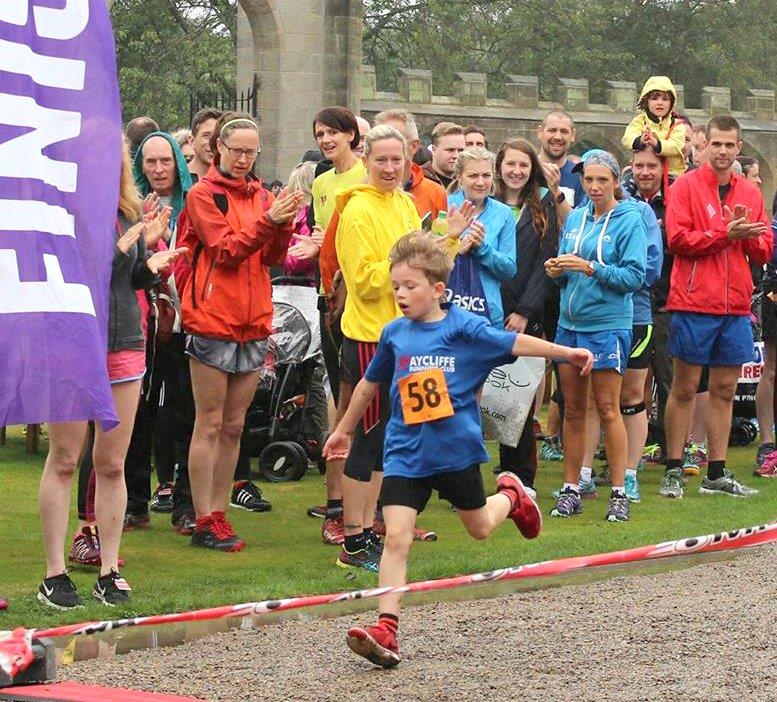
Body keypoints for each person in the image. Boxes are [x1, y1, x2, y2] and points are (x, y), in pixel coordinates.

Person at [324, 232, 593, 668]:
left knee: (481, 527)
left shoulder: (463, 328)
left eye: (410, 286)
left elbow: (514, 344)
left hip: (455, 453)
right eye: (396, 287)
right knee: (395, 537)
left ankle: (512, 495)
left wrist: (566, 352)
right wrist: (343, 431)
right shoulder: (393, 335)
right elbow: (369, 383)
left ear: (438, 290)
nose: (401, 295)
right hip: (406, 454)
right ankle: (386, 629)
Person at [37, 141, 184, 609]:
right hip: (72, 344)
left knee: (113, 463)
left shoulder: (126, 211)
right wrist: (125, 252)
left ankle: (110, 568)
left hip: (123, 342)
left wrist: (149, 263)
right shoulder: (57, 210)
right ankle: (54, 574)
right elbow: (73, 275)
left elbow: (125, 277)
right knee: (64, 458)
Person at [178, 112, 301, 551]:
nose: (245, 158)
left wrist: (284, 221)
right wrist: (272, 220)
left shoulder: (261, 195)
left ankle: (219, 513)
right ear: (219, 150)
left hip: (253, 321)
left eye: (252, 151)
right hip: (213, 320)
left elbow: (274, 257)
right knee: (209, 423)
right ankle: (202, 517)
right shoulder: (202, 195)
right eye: (238, 150)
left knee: (234, 425)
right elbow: (225, 250)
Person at [661, 115, 772, 498]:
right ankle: (674, 467)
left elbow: (762, 251)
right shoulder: (687, 186)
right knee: (685, 387)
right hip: (694, 302)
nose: (723, 151)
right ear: (705, 145)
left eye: (730, 145)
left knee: (725, 389)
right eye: (717, 144)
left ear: (739, 147)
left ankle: (717, 471)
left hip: (735, 305)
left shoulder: (751, 193)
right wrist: (724, 234)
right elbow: (677, 240)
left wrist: (746, 236)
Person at [545, 150, 647, 523]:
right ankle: (572, 487)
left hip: (607, 325)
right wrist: (556, 270)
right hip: (569, 325)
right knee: (573, 409)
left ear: (616, 182)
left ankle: (618, 491)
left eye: (602, 180)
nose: (594, 187)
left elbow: (635, 277)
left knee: (607, 409)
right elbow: (564, 268)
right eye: (589, 179)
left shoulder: (629, 220)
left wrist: (590, 268)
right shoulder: (575, 219)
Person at [308, 106, 367, 545]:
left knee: (365, 403)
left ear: (352, 136)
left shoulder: (366, 178)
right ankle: (335, 504)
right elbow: (321, 237)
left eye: (333, 133)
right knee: (341, 397)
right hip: (330, 299)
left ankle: (367, 505)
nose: (327, 140)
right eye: (320, 134)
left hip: (363, 302)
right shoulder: (321, 183)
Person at [494, 138, 559, 494]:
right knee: (478, 398)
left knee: (516, 398)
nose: (516, 171)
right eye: (510, 165)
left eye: (523, 165)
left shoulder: (542, 205)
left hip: (523, 316)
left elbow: (544, 264)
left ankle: (520, 476)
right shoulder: (485, 204)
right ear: (499, 167)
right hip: (486, 312)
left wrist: (524, 312)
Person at [448, 147, 517, 328]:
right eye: (473, 176)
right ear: (459, 177)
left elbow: (509, 269)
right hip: (447, 310)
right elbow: (426, 260)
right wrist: (455, 247)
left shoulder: (504, 213)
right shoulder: (445, 206)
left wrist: (482, 249)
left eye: (486, 175)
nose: (480, 182)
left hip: (487, 314)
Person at [622, 76, 687, 178]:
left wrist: (656, 143)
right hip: (644, 171)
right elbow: (627, 137)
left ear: (671, 103)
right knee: (626, 182)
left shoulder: (677, 125)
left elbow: (676, 145)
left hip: (670, 173)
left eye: (665, 99)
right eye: (654, 98)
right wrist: (640, 140)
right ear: (646, 101)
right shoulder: (640, 121)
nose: (660, 102)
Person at [536, 110, 586, 224]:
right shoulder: (524, 171)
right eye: (552, 130)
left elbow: (580, 224)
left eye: (564, 131)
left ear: (573, 136)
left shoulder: (581, 176)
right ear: (540, 132)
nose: (557, 137)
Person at [425, 122, 466, 189]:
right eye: (450, 150)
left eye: (461, 150)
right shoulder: (418, 180)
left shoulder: (468, 184)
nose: (456, 155)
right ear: (433, 150)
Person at [188, 107, 223, 182]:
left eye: (218, 136)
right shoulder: (175, 178)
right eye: (206, 136)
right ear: (192, 141)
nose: (212, 143)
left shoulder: (234, 181)